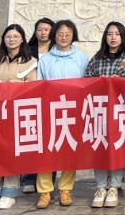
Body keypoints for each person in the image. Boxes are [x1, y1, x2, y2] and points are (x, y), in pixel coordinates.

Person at [0, 24, 38, 210]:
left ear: (22, 39)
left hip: (16, 115)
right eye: (8, 36)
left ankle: (9, 193)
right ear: (3, 39)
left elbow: (32, 89)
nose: (12, 39)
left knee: (11, 153)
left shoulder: (30, 63)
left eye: (16, 36)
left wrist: (14, 85)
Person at [84, 22, 125, 208]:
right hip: (100, 111)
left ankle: (115, 186)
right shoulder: (96, 59)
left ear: (123, 37)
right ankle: (101, 186)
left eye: (117, 34)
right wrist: (98, 82)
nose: (113, 37)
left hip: (122, 111)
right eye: (109, 34)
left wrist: (122, 81)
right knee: (100, 145)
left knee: (118, 146)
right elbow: (86, 81)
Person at [35, 20, 89, 209]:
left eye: (67, 34)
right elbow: (38, 86)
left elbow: (87, 84)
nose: (64, 37)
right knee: (46, 151)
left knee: (68, 150)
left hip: (73, 110)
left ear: (73, 36)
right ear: (54, 36)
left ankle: (65, 189)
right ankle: (44, 191)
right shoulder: (45, 60)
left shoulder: (81, 58)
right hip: (49, 110)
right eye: (60, 34)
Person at [22, 17, 54, 194]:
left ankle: (50, 180)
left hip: (51, 101)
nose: (43, 33)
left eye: (46, 29)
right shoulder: (27, 51)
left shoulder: (56, 51)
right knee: (31, 139)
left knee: (50, 140)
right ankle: (28, 178)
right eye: (40, 29)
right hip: (31, 100)